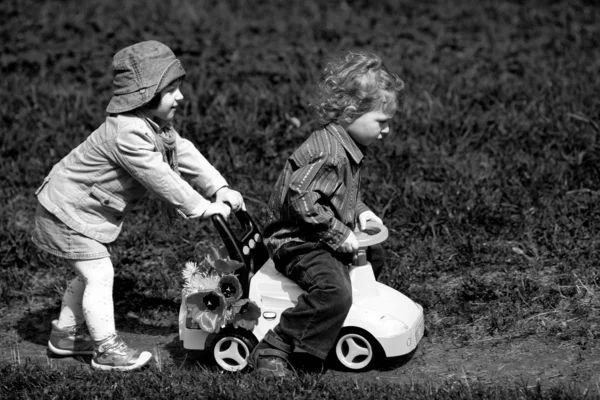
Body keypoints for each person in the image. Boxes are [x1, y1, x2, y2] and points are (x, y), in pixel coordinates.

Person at [31, 40, 245, 371]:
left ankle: (67, 336)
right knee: (99, 273)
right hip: (65, 212)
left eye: (179, 88)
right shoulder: (127, 134)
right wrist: (202, 206)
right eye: (171, 90)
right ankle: (106, 350)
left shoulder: (153, 125)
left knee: (89, 272)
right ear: (145, 94)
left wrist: (219, 186)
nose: (181, 97)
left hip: (80, 211)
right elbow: (158, 175)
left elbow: (181, 152)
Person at [249, 51, 404, 377]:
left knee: (374, 259)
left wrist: (362, 214)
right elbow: (300, 198)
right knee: (333, 290)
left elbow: (337, 195)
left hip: (314, 232)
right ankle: (278, 345)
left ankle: (337, 323)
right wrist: (339, 234)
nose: (386, 130)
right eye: (381, 121)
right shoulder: (329, 152)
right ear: (351, 112)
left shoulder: (346, 146)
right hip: (295, 241)